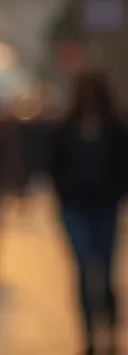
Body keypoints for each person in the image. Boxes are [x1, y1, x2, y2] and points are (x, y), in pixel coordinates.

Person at [48, 69, 128, 355]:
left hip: (105, 207)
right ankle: (88, 333)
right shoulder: (66, 130)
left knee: (105, 272)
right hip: (76, 208)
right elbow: (54, 166)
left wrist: (115, 192)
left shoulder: (115, 129)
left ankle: (110, 328)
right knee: (83, 268)